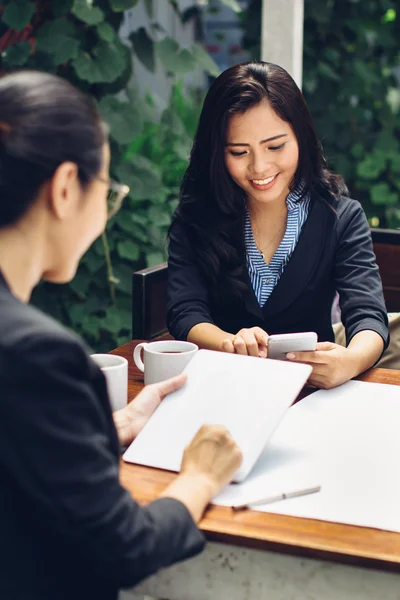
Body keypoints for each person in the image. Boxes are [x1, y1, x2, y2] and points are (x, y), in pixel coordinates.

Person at [0, 71, 242, 600]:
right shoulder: (36, 352)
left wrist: (107, 428)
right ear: (66, 188)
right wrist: (200, 476)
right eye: (107, 191)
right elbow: (122, 547)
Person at [167, 61, 389, 390]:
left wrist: (350, 361)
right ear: (218, 152)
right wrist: (229, 343)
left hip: (311, 393)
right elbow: (185, 310)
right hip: (221, 387)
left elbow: (368, 313)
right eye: (239, 152)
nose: (259, 167)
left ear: (301, 137)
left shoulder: (340, 217)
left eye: (275, 147)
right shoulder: (197, 215)